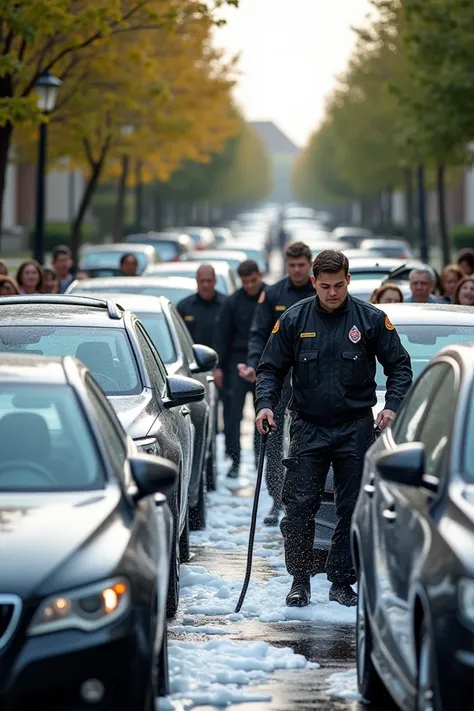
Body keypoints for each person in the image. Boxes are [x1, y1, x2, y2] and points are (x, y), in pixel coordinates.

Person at [255, 250, 412, 608]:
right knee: (299, 505)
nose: (332, 293)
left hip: (355, 427)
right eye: (324, 286)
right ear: (313, 282)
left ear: (348, 280)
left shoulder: (370, 320)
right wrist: (265, 405)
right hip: (308, 428)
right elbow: (270, 369)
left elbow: (400, 367)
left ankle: (342, 580)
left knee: (352, 505)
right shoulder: (294, 320)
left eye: (338, 285)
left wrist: (391, 408)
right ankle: (299, 579)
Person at [238, 241, 315, 527]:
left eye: (301, 265)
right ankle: (275, 499)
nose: (296, 270)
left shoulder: (319, 292)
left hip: (311, 379)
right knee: (271, 441)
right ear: (286, 264)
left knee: (304, 440)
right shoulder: (272, 294)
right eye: (292, 265)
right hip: (280, 377)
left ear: (309, 264)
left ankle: (304, 499)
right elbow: (258, 334)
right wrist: (255, 365)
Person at [214, 260, 265, 478]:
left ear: (259, 276)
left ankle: (259, 459)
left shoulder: (269, 297)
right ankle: (234, 460)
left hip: (263, 362)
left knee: (263, 414)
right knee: (233, 416)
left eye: (253, 281)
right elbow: (222, 336)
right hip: (236, 361)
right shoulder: (233, 302)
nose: (250, 286)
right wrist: (219, 368)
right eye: (245, 282)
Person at [177, 264, 227, 348]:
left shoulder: (226, 306)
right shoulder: (184, 307)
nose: (205, 285)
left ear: (215, 281)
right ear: (197, 281)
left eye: (209, 281)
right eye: (202, 281)